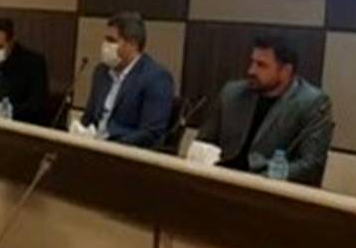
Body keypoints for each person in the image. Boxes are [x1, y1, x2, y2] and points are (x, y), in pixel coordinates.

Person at [197, 35, 334, 186]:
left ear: (286, 71)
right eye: (252, 62)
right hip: (220, 180)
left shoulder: (312, 103)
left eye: (261, 65)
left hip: (270, 188)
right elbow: (203, 144)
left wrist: (261, 181)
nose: (251, 70)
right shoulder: (232, 93)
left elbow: (311, 165)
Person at [80, 12, 174, 148]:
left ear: (133, 44)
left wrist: (111, 146)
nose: (105, 45)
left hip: (123, 151)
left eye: (112, 40)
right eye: (105, 39)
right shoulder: (101, 72)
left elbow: (151, 134)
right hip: (92, 147)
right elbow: (88, 118)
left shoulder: (156, 78)